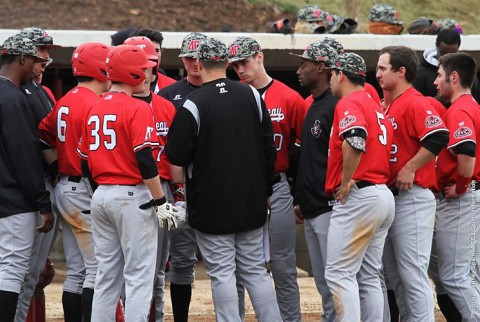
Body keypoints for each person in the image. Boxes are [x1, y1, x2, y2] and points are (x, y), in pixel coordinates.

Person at [165, 37, 281, 322]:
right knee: (255, 269)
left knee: (222, 273)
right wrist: (266, 189)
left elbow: (176, 154)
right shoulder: (252, 95)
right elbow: (269, 147)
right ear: (227, 63)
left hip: (210, 201)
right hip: (251, 198)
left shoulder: (193, 103)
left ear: (199, 64)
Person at [77, 44, 176, 321]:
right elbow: (145, 159)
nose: (148, 71)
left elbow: (85, 162)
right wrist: (160, 202)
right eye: (144, 67)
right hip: (133, 197)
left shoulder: (94, 106)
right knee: (139, 276)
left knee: (107, 276)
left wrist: (103, 193)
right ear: (132, 72)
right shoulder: (138, 107)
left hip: (101, 196)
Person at [228, 36, 305, 322]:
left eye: (245, 62)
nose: (240, 70)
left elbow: (305, 145)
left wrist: (299, 192)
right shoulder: (233, 96)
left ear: (259, 57)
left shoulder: (288, 97)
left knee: (283, 265)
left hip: (278, 185)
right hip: (243, 190)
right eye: (235, 65)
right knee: (239, 265)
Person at [38, 42, 111, 322]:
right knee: (97, 268)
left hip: (64, 187)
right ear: (101, 69)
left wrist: (58, 165)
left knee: (78, 268)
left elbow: (43, 136)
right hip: (84, 190)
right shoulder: (95, 103)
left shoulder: (66, 99)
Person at [376, 45, 449, 321]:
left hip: (413, 196)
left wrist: (410, 166)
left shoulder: (416, 101)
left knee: (412, 273)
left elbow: (439, 135)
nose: (378, 73)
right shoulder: (392, 105)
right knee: (396, 277)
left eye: (383, 68)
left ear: (401, 71)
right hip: (393, 197)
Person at [324, 51, 395, 321]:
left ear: (341, 75)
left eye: (331, 73)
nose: (330, 79)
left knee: (339, 274)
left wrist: (345, 181)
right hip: (380, 194)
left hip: (360, 195)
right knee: (367, 275)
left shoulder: (350, 101)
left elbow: (355, 139)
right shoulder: (372, 102)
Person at [0, 33, 53, 322]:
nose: (36, 65)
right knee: (12, 269)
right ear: (22, 58)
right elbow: (23, 156)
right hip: (16, 200)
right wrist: (42, 202)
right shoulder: (14, 98)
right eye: (33, 58)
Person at [124, 35, 178, 322]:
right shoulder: (117, 104)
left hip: (162, 192)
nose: (144, 71)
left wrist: (176, 194)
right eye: (139, 65)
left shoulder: (166, 106)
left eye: (148, 65)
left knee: (157, 268)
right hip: (128, 191)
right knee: (123, 269)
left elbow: (174, 155)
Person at [157, 31, 209, 322]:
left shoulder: (223, 90)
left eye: (198, 57)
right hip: (179, 184)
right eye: (188, 57)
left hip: (214, 181)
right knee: (181, 258)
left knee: (226, 261)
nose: (193, 63)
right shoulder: (168, 95)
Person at [14, 26, 61, 322]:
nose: (45, 60)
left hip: (44, 185)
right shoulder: (14, 90)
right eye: (41, 52)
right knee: (18, 272)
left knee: (32, 273)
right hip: (23, 191)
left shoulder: (41, 90)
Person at [290, 41, 339, 322]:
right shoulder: (314, 106)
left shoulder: (335, 105)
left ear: (321, 67)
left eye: (304, 64)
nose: (299, 70)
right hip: (312, 206)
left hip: (330, 206)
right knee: (322, 281)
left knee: (334, 280)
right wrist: (300, 198)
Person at [433, 52, 480, 320]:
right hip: (472, 194)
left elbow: (466, 150)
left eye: (439, 75)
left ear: (454, 77)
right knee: (471, 272)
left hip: (463, 196)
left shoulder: (460, 108)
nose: (435, 82)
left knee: (453, 275)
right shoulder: (472, 105)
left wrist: (462, 186)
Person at [413, 28, 480, 104]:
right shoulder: (421, 72)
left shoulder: (466, 73)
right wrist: (437, 100)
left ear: (458, 48)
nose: (447, 57)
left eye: (452, 54)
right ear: (437, 46)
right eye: (443, 52)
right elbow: (415, 105)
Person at [128, 28, 176, 93]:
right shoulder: (122, 86)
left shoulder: (172, 86)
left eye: (157, 50)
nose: (154, 56)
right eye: (149, 51)